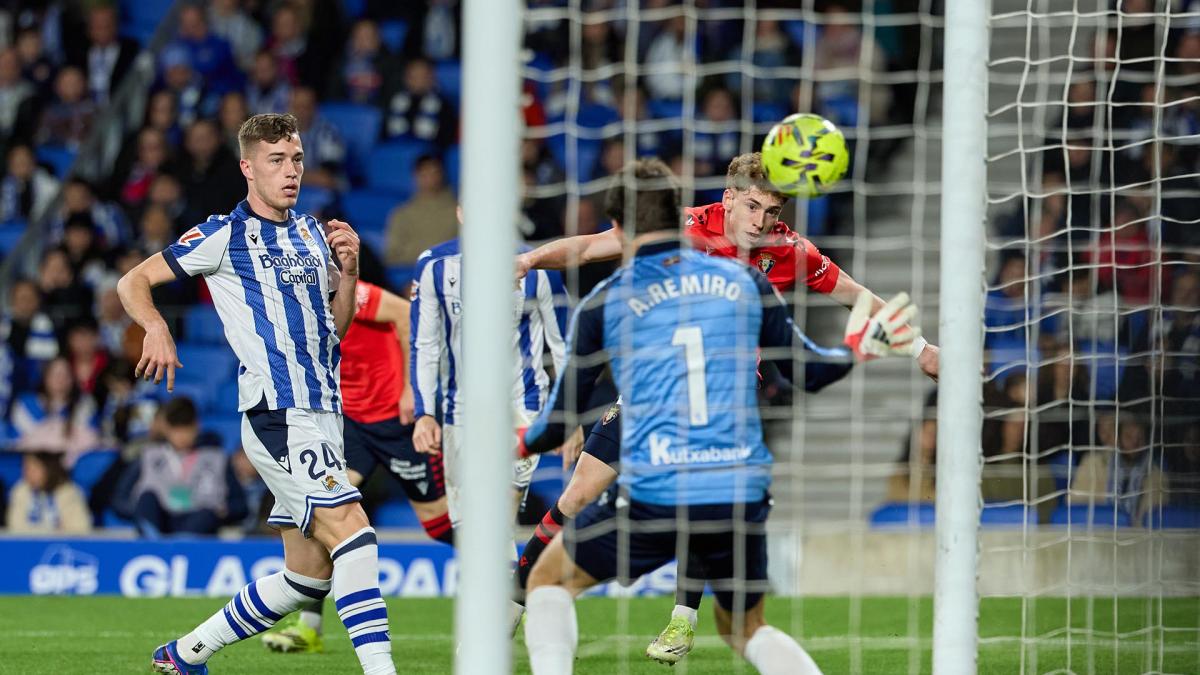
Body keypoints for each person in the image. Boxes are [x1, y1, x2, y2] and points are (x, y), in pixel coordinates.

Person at [512, 151, 935, 662]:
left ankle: (681, 618)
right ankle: (513, 601)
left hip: (724, 403)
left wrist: (921, 349)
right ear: (728, 198)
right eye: (753, 207)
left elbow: (853, 293)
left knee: (693, 503)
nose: (761, 222)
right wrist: (530, 259)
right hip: (650, 393)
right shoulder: (684, 229)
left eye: (773, 212)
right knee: (579, 494)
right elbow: (588, 247)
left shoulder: (787, 251)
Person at [117, 112, 395, 674]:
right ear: (248, 168)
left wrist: (349, 272)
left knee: (306, 578)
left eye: (296, 159)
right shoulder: (222, 234)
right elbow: (133, 280)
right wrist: (155, 326)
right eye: (276, 160)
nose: (291, 171)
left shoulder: (314, 234)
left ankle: (184, 655)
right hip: (278, 412)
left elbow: (335, 330)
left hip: (325, 412)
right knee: (356, 535)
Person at [262, 280, 451, 653]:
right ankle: (309, 629)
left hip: (396, 420)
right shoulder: (291, 304)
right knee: (323, 515)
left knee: (440, 524)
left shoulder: (354, 293)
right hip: (351, 426)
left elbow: (406, 315)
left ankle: (515, 583)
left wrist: (411, 388)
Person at [410, 216, 572, 630]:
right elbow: (424, 344)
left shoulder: (537, 268)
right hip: (458, 413)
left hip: (522, 407)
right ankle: (517, 609)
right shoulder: (434, 268)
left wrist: (568, 415)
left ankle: (490, 631)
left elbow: (564, 347)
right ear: (461, 212)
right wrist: (425, 412)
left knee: (495, 513)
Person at [114, 397, 246, 537]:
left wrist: (223, 512)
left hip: (197, 523)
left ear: (196, 426)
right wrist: (138, 510)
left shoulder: (216, 458)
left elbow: (240, 506)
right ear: (166, 428)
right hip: (160, 520)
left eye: (186, 429)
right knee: (147, 498)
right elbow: (119, 500)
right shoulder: (148, 456)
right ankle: (152, 539)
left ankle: (183, 543)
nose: (181, 436)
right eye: (176, 430)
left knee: (206, 514)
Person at [5, 451, 92, 533]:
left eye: (33, 469)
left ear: (48, 469)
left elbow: (81, 528)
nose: (27, 473)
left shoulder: (68, 492)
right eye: (25, 468)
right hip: (27, 543)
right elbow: (14, 526)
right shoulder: (21, 490)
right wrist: (55, 529)